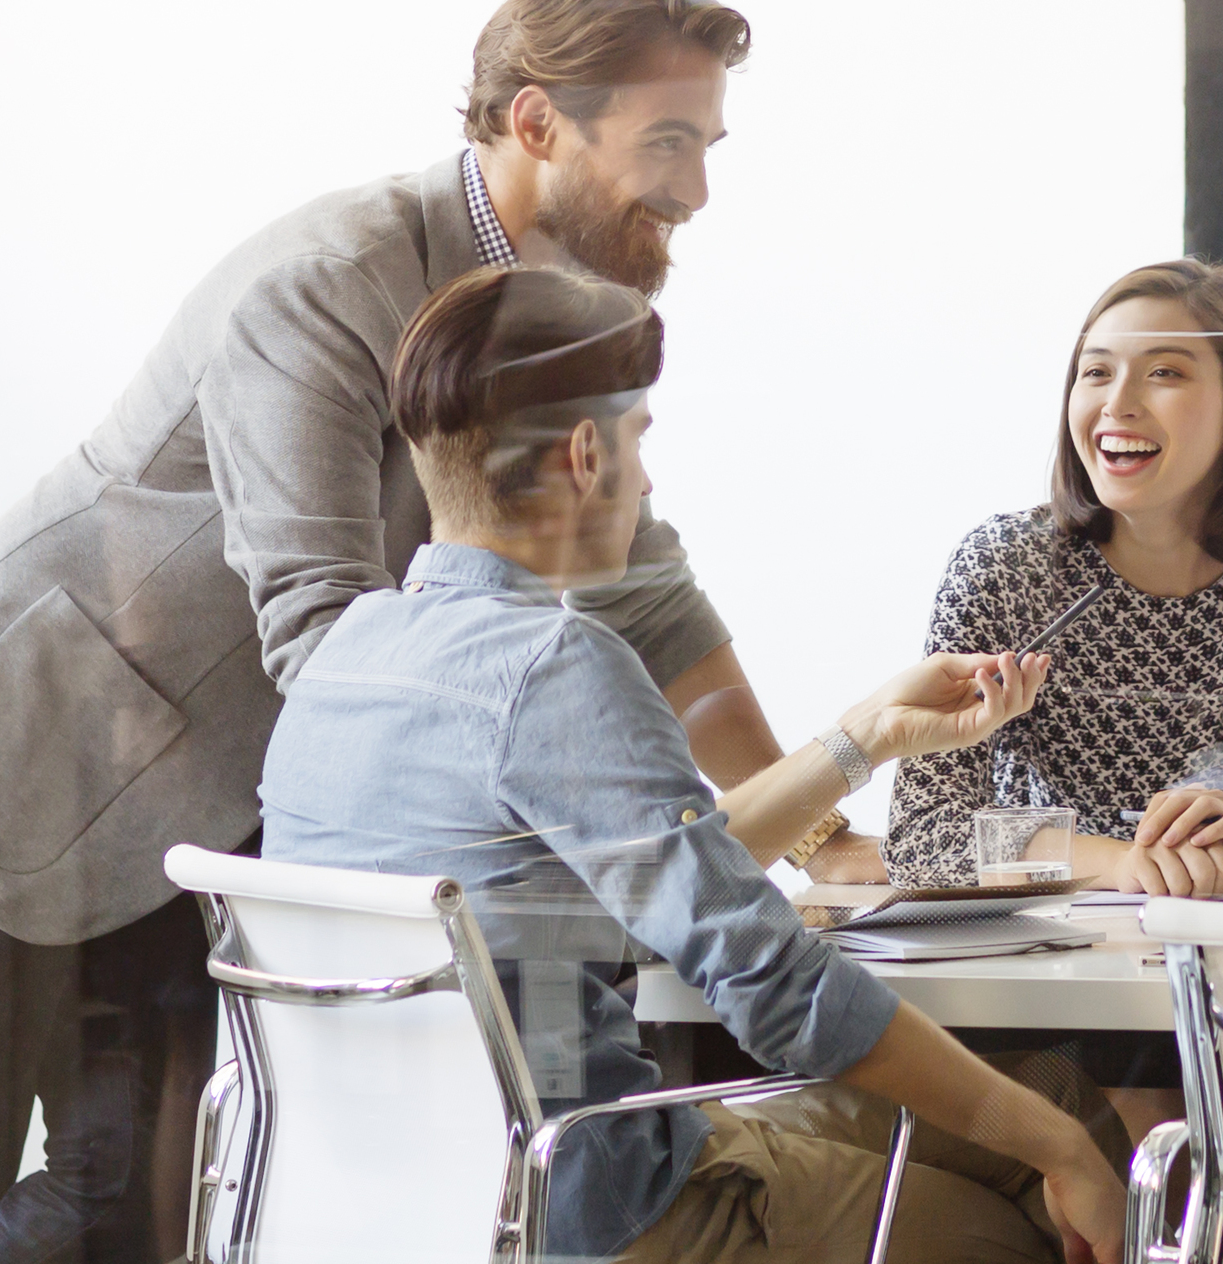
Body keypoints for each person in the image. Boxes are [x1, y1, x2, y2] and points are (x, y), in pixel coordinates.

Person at [0, 0, 856, 1262]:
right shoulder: (329, 282)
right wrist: (545, 795)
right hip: (9, 760)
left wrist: (815, 823)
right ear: (538, 121)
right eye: (668, 141)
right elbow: (330, 646)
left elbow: (651, 594)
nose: (697, 189)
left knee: (143, 1208)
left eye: (709, 144)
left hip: (201, 807)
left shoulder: (558, 309)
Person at [262, 266, 1132, 1264]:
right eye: (638, 443)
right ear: (586, 453)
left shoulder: (350, 657)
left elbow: (661, 876)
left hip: (401, 1202)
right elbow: (778, 989)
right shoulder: (556, 666)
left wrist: (862, 739)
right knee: (1026, 1203)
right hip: (595, 1204)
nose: (644, 481)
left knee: (1049, 1097)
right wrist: (1061, 1150)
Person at [877, 260, 1223, 898]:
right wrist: (1116, 861)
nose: (1118, 403)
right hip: (1054, 962)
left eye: (1164, 373)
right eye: (1097, 372)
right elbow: (920, 834)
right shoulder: (1003, 566)